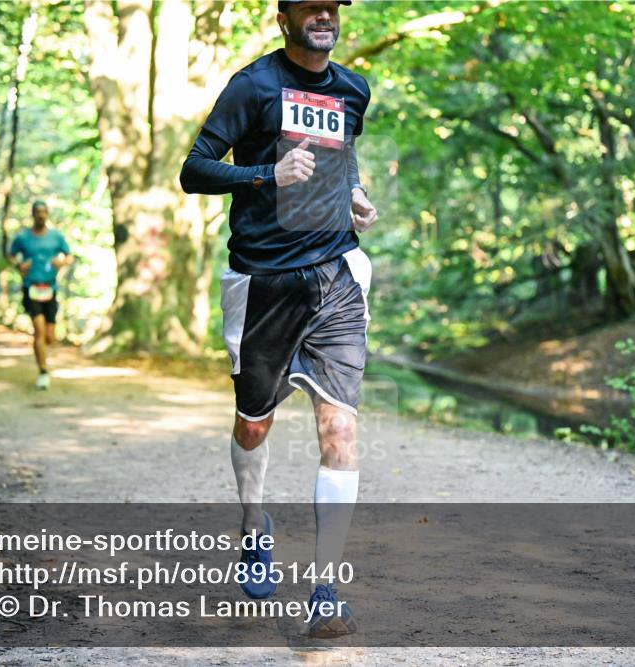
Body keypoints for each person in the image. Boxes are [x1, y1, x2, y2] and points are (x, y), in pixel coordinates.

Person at [180, 0, 376, 638]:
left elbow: (343, 158)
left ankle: (326, 590)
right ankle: (253, 523)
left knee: (339, 429)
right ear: (283, 17)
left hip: (335, 275)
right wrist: (268, 173)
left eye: (332, 6)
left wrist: (355, 195)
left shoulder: (353, 88)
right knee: (253, 424)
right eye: (309, 6)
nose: (324, 15)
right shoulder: (254, 86)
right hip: (264, 281)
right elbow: (194, 169)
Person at [7, 201, 73, 390]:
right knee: (39, 331)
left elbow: (69, 256)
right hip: (31, 288)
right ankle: (43, 371)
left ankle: (43, 356)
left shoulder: (56, 237)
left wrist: (62, 262)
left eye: (44, 212)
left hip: (50, 288)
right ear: (33, 214)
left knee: (50, 337)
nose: (41, 215)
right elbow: (11, 255)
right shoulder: (23, 238)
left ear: (47, 214)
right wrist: (19, 265)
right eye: (38, 212)